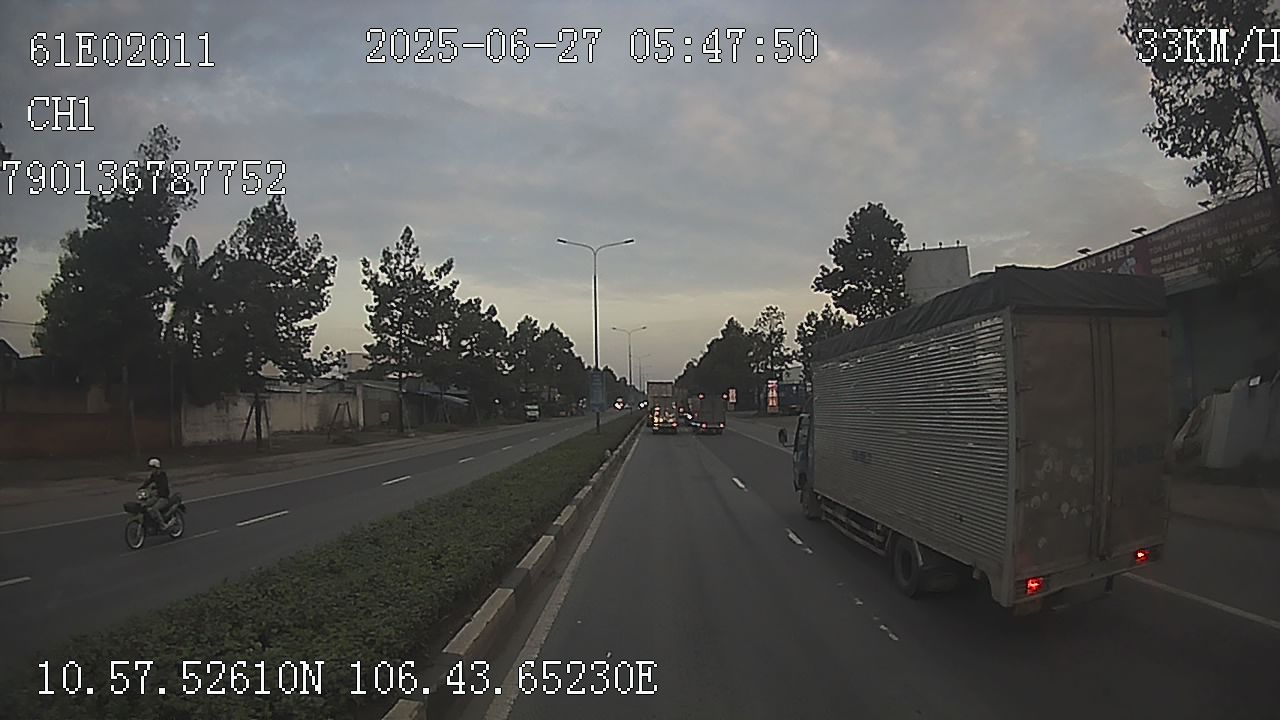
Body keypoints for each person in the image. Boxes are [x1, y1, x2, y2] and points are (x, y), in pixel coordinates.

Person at [139, 457, 175, 530]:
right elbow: (148, 482)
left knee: (154, 509)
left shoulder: (162, 475)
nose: (151, 470)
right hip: (157, 497)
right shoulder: (153, 475)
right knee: (144, 505)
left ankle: (163, 525)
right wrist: (141, 488)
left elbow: (163, 486)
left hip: (163, 497)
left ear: (156, 468)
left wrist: (157, 489)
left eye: (152, 468)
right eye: (150, 468)